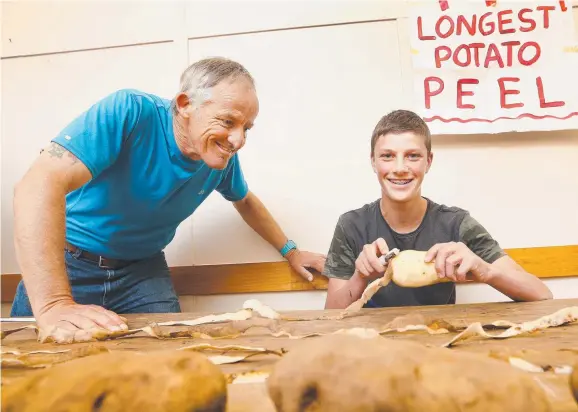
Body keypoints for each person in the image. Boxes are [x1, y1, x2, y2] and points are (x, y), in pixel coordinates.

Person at [11, 57, 326, 337]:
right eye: (228, 121)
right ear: (185, 104)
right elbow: (36, 186)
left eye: (247, 127)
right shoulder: (130, 111)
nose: (238, 139)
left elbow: (245, 201)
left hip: (141, 271)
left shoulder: (219, 158)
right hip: (70, 261)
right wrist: (54, 304)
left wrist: (291, 251)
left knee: (171, 365)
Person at [323, 109, 553, 309]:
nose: (400, 168)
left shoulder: (456, 223)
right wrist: (360, 277)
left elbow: (542, 294)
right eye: (388, 156)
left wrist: (484, 270)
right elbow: (331, 314)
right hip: (374, 347)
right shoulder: (351, 225)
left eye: (413, 156)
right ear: (373, 161)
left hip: (438, 341)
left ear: (428, 161)